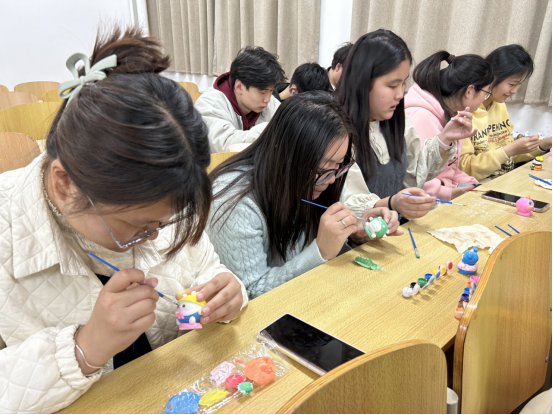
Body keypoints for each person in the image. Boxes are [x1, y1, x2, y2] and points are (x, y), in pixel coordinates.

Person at [0, 28, 247, 413]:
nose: (155, 238)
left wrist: (228, 291)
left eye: (162, 224)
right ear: (64, 184)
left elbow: (207, 269)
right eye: (141, 227)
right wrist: (84, 348)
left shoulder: (163, 200)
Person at [207, 92, 401, 300]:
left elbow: (330, 257)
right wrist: (320, 252)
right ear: (286, 158)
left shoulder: (327, 177)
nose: (332, 180)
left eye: (338, 165)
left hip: (316, 297)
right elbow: (250, 293)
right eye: (324, 169)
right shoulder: (235, 204)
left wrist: (354, 236)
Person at [336, 30, 478, 220]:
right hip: (354, 234)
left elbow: (414, 173)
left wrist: (444, 139)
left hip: (392, 227)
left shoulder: (397, 121)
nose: (400, 94)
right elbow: (347, 200)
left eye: (403, 84)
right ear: (362, 81)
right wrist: (391, 203)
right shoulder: (336, 130)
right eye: (392, 85)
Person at [405, 51, 494, 200]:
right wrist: (449, 193)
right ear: (469, 91)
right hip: (423, 200)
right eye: (486, 93)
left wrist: (473, 184)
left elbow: (450, 168)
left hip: (443, 193)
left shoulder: (452, 114)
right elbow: (413, 176)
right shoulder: (420, 117)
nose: (484, 99)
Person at [459, 44, 553, 181]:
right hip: (477, 184)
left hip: (503, 179)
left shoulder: (499, 105)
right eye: (512, 84)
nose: (514, 91)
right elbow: (464, 168)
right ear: (492, 77)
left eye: (519, 85)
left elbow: (508, 155)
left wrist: (545, 144)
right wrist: (510, 150)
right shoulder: (463, 112)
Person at [195, 46, 286, 152]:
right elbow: (224, 146)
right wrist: (270, 130)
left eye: (271, 91)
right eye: (262, 92)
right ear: (239, 87)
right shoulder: (210, 104)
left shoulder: (269, 102)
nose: (268, 99)